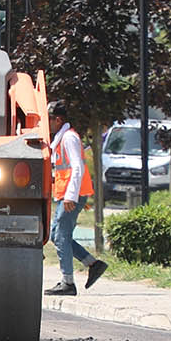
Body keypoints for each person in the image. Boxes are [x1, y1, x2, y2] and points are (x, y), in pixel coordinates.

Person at [45, 101, 106, 296]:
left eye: (49, 120)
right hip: (67, 194)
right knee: (56, 235)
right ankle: (92, 264)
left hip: (73, 195)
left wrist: (70, 196)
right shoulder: (62, 139)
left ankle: (68, 282)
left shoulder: (69, 138)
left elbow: (77, 167)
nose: (48, 124)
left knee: (61, 236)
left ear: (58, 120)